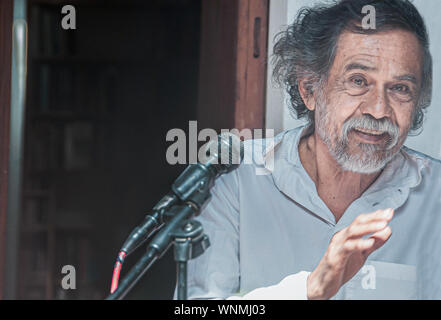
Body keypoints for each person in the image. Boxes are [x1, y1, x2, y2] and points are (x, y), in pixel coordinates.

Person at [183, 0, 441, 299]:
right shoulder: (236, 178)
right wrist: (308, 291)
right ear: (310, 90)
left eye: (400, 88)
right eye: (358, 81)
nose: (379, 110)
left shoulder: (435, 195)